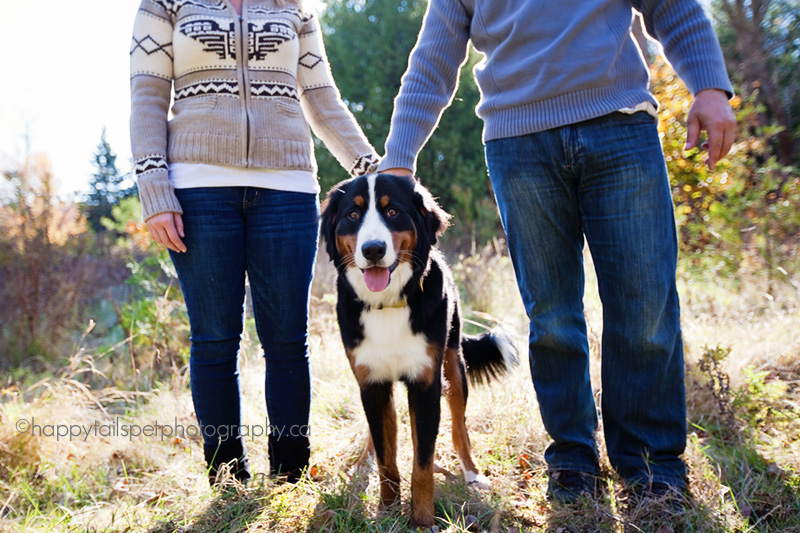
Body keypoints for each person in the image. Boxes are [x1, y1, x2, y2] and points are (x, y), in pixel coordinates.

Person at [379, 0, 736, 503]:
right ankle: (572, 459)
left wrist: (710, 84)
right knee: (551, 315)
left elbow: (671, 6)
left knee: (645, 305)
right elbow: (433, 58)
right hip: (517, 143)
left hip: (619, 125)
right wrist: (399, 158)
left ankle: (653, 464)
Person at [130, 0, 379, 484]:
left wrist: (374, 172)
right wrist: (154, 189)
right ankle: (228, 478)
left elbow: (323, 99)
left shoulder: (296, 8)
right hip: (197, 189)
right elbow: (147, 94)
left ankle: (290, 474)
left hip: (287, 187)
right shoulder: (165, 4)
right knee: (216, 339)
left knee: (287, 340)